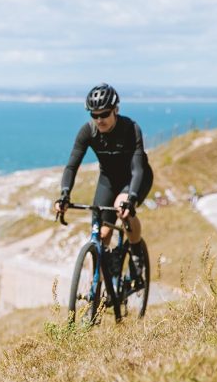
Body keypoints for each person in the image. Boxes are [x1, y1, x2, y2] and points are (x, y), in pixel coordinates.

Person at [54, 83, 154, 260]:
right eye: (94, 115)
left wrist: (130, 200)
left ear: (115, 110)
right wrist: (64, 194)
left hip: (136, 178)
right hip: (108, 179)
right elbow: (71, 166)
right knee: (101, 234)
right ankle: (101, 279)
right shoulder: (88, 132)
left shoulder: (131, 129)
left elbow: (138, 169)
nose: (99, 120)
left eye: (104, 114)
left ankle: (137, 254)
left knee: (121, 208)